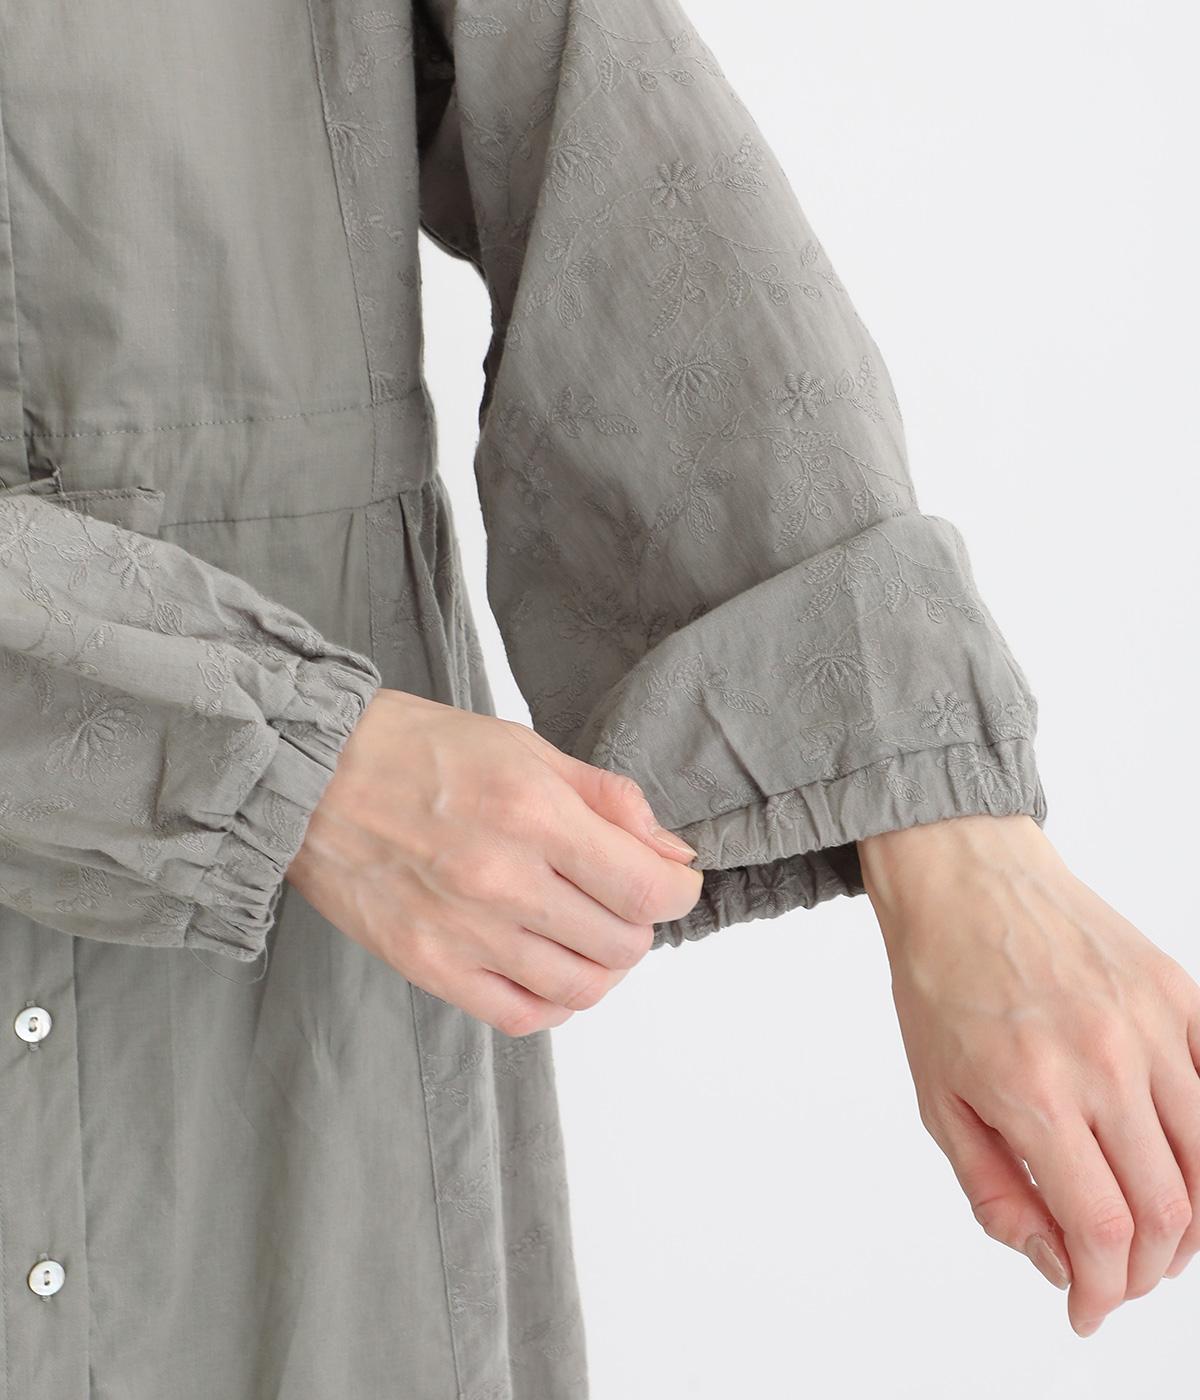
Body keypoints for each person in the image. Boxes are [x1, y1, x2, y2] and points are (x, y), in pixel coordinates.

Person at [0, 0, 1193, 1394]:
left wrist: (947, 834)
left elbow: (601, 129)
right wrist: (279, 760)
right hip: (347, 833)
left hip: (303, 1012)